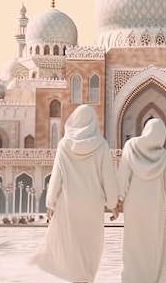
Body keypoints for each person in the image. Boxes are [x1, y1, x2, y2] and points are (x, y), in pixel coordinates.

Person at [31, 104, 119, 283]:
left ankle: (77, 278)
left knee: (74, 243)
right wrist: (113, 203)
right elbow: (107, 178)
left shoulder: (64, 144)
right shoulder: (101, 145)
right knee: (90, 244)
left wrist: (51, 203)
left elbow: (57, 176)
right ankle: (86, 277)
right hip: (93, 204)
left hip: (70, 203)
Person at [116, 118, 166, 283]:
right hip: (155, 208)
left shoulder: (130, 146)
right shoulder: (165, 156)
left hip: (134, 206)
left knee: (133, 244)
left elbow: (122, 176)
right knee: (154, 246)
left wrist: (117, 200)